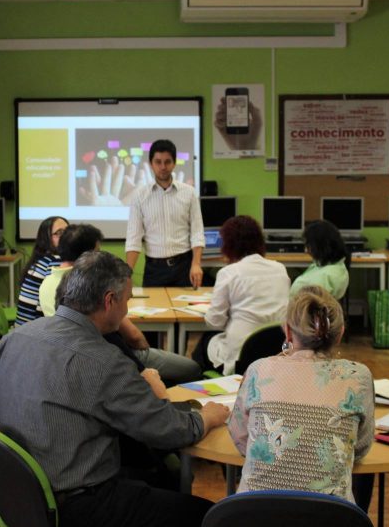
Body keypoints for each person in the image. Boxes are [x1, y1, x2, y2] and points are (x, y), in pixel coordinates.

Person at [0, 251, 229, 527]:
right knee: (210, 516)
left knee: (158, 481)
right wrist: (207, 416)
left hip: (21, 497)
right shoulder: (105, 361)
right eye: (127, 301)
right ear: (109, 301)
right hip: (79, 505)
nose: (127, 310)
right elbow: (167, 431)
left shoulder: (15, 338)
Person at [228, 285, 373, 502]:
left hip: (255, 515)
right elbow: (360, 448)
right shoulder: (357, 376)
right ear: (340, 333)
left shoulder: (259, 369)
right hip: (331, 518)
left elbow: (240, 437)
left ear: (287, 331)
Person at [39, 223, 202, 384]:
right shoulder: (91, 284)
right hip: (108, 355)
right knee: (192, 368)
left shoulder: (46, 283)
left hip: (66, 354)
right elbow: (134, 337)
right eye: (97, 252)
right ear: (88, 256)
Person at [198, 215, 290, 375]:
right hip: (276, 353)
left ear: (228, 244)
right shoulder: (280, 269)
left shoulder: (228, 273)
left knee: (203, 345)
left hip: (240, 357)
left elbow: (215, 322)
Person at [125, 139, 205, 288]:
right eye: (158, 162)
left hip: (184, 267)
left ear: (174, 163)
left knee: (185, 311)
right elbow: (133, 238)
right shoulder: (139, 196)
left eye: (167, 162)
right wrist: (127, 274)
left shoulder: (189, 193)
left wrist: (196, 264)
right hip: (154, 269)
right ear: (151, 164)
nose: (163, 167)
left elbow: (197, 232)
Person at [16, 215, 68, 325]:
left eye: (67, 231)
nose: (65, 237)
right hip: (34, 335)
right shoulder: (54, 262)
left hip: (24, 331)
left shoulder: (42, 259)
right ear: (46, 238)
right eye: (59, 233)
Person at [289, 220, 348, 299]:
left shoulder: (319, 280)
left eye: (308, 246)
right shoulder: (337, 266)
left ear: (321, 246)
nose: (306, 251)